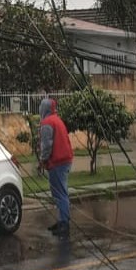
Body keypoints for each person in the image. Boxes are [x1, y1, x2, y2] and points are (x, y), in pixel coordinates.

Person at [38, 97, 74, 236]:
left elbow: (46, 145)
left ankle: (64, 223)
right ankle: (62, 220)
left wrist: (42, 160)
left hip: (58, 162)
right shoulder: (57, 120)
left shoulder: (47, 122)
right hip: (64, 160)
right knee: (60, 192)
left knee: (60, 194)